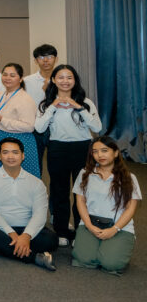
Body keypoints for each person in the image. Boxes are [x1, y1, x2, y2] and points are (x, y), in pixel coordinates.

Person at [34, 65, 102, 244]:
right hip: (57, 149)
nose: (65, 81)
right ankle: (61, 231)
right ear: (54, 80)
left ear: (75, 80)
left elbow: (97, 127)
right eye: (61, 77)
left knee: (83, 192)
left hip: (83, 149)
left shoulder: (86, 102)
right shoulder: (46, 103)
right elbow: (39, 128)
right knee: (60, 191)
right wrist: (53, 107)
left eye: (69, 77)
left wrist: (78, 107)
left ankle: (81, 230)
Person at [0, 138, 58, 271]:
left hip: (27, 228)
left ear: (23, 155)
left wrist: (26, 236)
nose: (10, 157)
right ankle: (35, 257)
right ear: (0, 156)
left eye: (15, 152)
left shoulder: (36, 183)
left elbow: (40, 215)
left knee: (51, 239)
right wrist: (12, 233)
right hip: (0, 229)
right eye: (5, 152)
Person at [71, 137, 141, 275]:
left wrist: (114, 229)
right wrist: (89, 226)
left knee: (111, 263)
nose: (100, 155)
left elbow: (131, 208)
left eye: (104, 150)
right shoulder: (84, 173)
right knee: (83, 258)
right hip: (91, 223)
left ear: (115, 153)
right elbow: (80, 202)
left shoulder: (129, 177)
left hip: (119, 226)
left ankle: (110, 250)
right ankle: (99, 248)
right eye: (95, 151)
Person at [0, 63, 40, 177]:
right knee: (1, 176)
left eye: (12, 75)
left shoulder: (25, 98)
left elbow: (29, 126)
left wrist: (2, 119)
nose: (7, 78)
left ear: (21, 78)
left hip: (19, 140)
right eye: (5, 74)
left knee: (23, 177)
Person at [24, 43, 58, 166]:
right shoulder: (27, 81)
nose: (46, 60)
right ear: (35, 61)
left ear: (56, 59)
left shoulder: (63, 79)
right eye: (41, 57)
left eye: (49, 57)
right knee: (35, 163)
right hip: (35, 128)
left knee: (56, 164)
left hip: (57, 127)